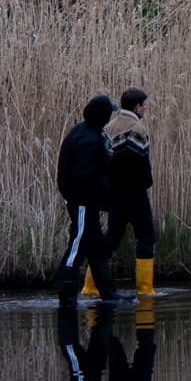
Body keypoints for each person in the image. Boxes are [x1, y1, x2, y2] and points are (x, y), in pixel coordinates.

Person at [56, 93, 116, 303]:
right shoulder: (89, 139)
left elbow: (87, 168)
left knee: (97, 248)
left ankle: (109, 295)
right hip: (82, 202)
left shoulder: (84, 132)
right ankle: (66, 295)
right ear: (104, 116)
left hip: (84, 201)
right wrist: (107, 196)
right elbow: (85, 177)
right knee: (77, 245)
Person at [103, 86, 156, 297]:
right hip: (135, 193)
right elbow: (140, 162)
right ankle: (145, 289)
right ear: (137, 106)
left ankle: (91, 286)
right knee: (146, 237)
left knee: (112, 238)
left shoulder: (109, 126)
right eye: (144, 105)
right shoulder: (137, 128)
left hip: (114, 193)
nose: (145, 109)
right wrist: (146, 183)